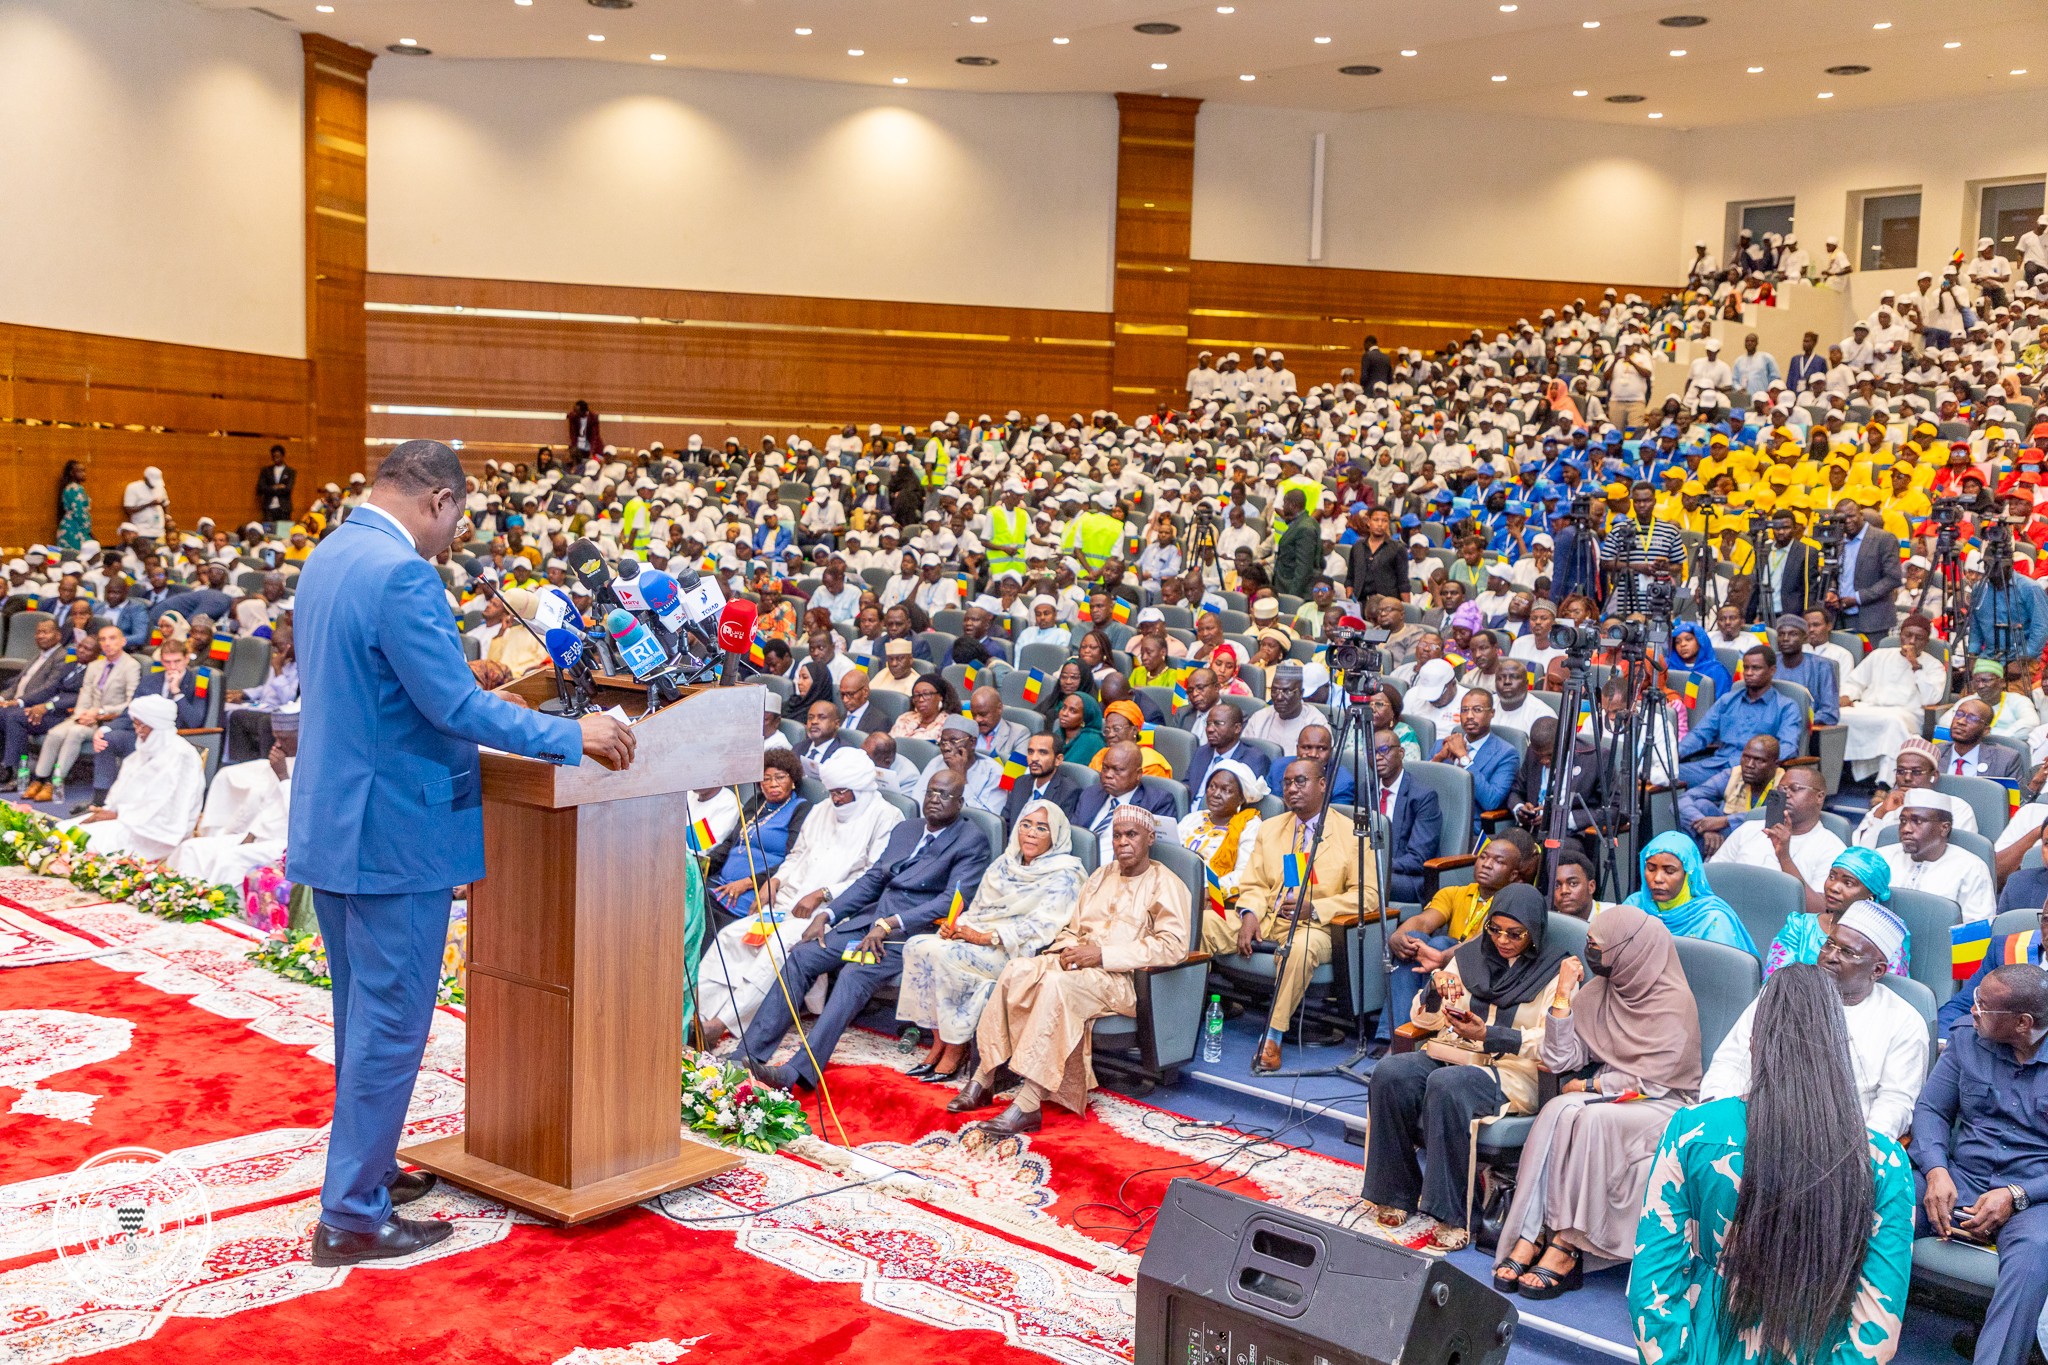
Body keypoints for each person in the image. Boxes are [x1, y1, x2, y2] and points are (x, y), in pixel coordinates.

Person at [289, 440, 633, 1267]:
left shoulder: (331, 554)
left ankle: (367, 1171)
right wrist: (574, 734)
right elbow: (452, 709)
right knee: (393, 1023)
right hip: (395, 831)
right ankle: (351, 1216)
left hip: (338, 820)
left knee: (361, 1015)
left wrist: (456, 671)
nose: (453, 537)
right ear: (439, 500)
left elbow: (384, 683)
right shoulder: (404, 575)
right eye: (458, 520)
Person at [1631, 964, 1914, 1365]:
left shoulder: (1692, 1132)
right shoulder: (1884, 1162)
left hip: (1709, 1341)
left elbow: (1652, 1285)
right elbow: (1876, 1335)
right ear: (1840, 1048)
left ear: (1754, 1044)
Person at [1493, 903, 1701, 1297]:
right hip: (1612, 1095)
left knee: (1592, 1120)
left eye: (1597, 945)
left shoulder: (1674, 1002)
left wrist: (1592, 1086)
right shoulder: (1603, 990)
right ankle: (1531, 1231)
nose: (1590, 953)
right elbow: (1560, 1059)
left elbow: (1656, 1081)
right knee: (1557, 1110)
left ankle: (1568, 1244)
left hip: (1664, 1102)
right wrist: (1562, 996)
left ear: (1630, 950)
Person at [742, 769, 992, 1093]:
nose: (935, 799)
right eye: (931, 791)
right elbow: (874, 879)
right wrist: (828, 914)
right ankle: (746, 1057)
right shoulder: (907, 829)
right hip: (869, 922)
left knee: (854, 975)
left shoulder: (971, 840)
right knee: (802, 956)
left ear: (960, 802)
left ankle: (796, 1072)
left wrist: (891, 924)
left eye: (945, 795)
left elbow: (950, 901)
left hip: (910, 934)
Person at [946, 804, 1190, 1133]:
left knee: (1055, 986)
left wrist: (1102, 955)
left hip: (1122, 980)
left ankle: (1028, 1103)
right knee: (1017, 970)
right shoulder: (1100, 876)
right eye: (1117, 835)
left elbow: (1173, 947)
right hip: (1081, 966)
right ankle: (984, 1077)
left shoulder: (1167, 884)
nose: (1122, 842)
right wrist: (1065, 951)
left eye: (1131, 835)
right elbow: (1073, 929)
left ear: (1150, 838)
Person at [1360, 885, 1571, 1251]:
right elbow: (1423, 1019)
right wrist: (1434, 990)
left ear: (1534, 932)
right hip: (1456, 1054)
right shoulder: (1469, 956)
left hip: (1515, 1072)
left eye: (1515, 934)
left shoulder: (1558, 971)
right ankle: (1395, 1192)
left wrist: (1491, 1035)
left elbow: (1556, 1042)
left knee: (1448, 1084)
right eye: (1495, 929)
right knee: (1390, 1073)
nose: (1502, 940)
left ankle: (1453, 1214)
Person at [695, 749, 903, 1041]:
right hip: (790, 899)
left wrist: (823, 894)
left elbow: (873, 876)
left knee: (776, 949)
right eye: (832, 792)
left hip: (832, 912)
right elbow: (797, 854)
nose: (836, 799)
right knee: (731, 937)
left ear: (862, 788)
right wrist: (775, 880)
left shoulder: (887, 816)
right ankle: (699, 1014)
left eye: (842, 792)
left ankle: (721, 1023)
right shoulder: (822, 809)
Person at [1913, 963, 2048, 1365]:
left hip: (2034, 1198)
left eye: (1984, 1006)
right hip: (1957, 1177)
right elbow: (1931, 1110)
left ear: (2023, 1023)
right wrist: (1936, 1169)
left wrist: (2017, 1195)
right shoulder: (1967, 1039)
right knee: (1880, 1203)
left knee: (2036, 1251)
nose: (1972, 1010)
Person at [897, 799, 1086, 1084]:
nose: (1031, 833)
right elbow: (978, 911)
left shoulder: (1066, 875)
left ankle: (956, 1045)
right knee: (918, 946)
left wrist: (984, 938)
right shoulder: (1004, 864)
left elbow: (1042, 928)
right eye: (1026, 824)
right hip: (979, 940)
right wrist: (957, 928)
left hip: (1017, 953)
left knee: (947, 956)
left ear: (1055, 835)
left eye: (1041, 828)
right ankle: (939, 1040)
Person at [1203, 758, 1374, 1073]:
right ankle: (1184, 1019)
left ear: (1322, 785)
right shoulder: (1271, 828)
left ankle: (1273, 1036)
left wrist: (1316, 908)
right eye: (1287, 783)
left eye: (1301, 781)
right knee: (1203, 923)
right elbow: (1254, 884)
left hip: (1316, 926)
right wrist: (1249, 913)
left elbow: (1368, 896)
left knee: (1300, 948)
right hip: (1266, 918)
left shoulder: (1352, 834)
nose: (1292, 788)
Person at [1703, 900, 1926, 1137]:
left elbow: (1895, 1103)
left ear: (1877, 970)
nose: (1830, 956)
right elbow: (1731, 1061)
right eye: (1829, 944)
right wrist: (1719, 1117)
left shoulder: (1904, 1021)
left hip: (1843, 1141)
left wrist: (1863, 1146)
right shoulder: (1782, 993)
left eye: (1847, 952)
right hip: (1756, 1130)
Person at [1383, 830, 1535, 1041]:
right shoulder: (1454, 892)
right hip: (1441, 967)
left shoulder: (1512, 905)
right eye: (1483, 857)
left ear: (1513, 876)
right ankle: (1396, 1034)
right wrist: (1398, 935)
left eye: (1498, 861)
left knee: (1440, 943)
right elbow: (1424, 921)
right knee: (1413, 941)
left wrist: (1443, 956)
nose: (1487, 864)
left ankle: (1417, 1032)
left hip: (1484, 971)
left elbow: (1485, 939)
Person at [62, 693, 204, 859]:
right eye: (135, 724)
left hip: (156, 835)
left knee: (79, 841)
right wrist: (109, 810)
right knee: (63, 830)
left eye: (142, 726)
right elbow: (126, 788)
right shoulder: (147, 749)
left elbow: (167, 809)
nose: (138, 731)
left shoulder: (181, 756)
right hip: (129, 821)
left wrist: (118, 815)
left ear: (156, 725)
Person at [167, 710, 297, 886]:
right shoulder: (283, 762)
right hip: (261, 835)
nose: (277, 745)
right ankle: (182, 896)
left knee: (229, 860)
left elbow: (300, 817)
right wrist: (250, 834)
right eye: (276, 737)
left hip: (286, 844)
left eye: (284, 739)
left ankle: (213, 900)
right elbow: (265, 806)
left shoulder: (313, 769)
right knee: (191, 849)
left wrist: (283, 777)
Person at [26, 625, 138, 803]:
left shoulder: (131, 666)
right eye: (103, 639)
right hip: (83, 717)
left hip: (108, 721)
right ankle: (40, 779)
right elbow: (85, 694)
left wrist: (99, 713)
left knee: (74, 733)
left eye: (112, 638)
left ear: (123, 641)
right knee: (54, 734)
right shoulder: (94, 666)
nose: (107, 643)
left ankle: (55, 783)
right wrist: (81, 716)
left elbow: (131, 703)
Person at [1767, 845, 1908, 978]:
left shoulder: (1886, 939)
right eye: (1832, 877)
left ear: (1870, 895)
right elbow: (1775, 980)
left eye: (1848, 883)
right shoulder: (1800, 926)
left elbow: (1892, 988)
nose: (1833, 887)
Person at [1706, 764, 1842, 901]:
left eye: (1795, 788)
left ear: (1819, 797)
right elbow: (1710, 878)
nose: (1786, 794)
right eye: (1782, 789)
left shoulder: (1832, 849)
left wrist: (1784, 856)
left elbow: (1821, 908)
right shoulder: (1748, 829)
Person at [1675, 644, 1804, 787]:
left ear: (1772, 670)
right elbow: (1700, 734)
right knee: (1666, 774)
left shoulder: (1786, 707)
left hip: (1750, 773)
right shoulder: (1727, 700)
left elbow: (1788, 746)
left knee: (1701, 792)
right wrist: (1673, 755)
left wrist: (1760, 764)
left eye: (1756, 668)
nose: (1749, 673)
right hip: (1716, 765)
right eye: (1746, 668)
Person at [1839, 613, 1946, 784]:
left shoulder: (1934, 665)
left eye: (1918, 638)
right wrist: (1846, 695)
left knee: (1893, 723)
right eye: (1908, 635)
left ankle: (1885, 783)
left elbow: (1931, 699)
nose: (1911, 641)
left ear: (1926, 642)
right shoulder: (1879, 655)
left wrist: (1915, 666)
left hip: (1907, 714)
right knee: (1836, 715)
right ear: (1900, 635)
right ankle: (1838, 778)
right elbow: (1855, 682)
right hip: (1869, 708)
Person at [702, 748, 810, 915]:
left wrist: (749, 882)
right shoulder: (756, 802)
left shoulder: (800, 809)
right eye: (766, 779)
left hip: (755, 889)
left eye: (780, 777)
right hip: (721, 882)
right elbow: (731, 842)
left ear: (793, 780)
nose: (773, 784)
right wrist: (702, 866)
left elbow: (793, 860)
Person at [1625, 831, 1756, 953]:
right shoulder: (1634, 906)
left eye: (1669, 871)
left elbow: (1723, 968)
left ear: (1688, 874)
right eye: (1651, 869)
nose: (1658, 879)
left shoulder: (1711, 920)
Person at [1882, 789, 1997, 922]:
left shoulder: (1971, 868)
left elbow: (1977, 928)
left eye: (1917, 821)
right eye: (1903, 821)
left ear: (1944, 828)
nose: (1906, 829)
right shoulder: (1882, 858)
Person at [1369, 721, 1444, 902]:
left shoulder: (1423, 797)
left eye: (1384, 750)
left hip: (1408, 878)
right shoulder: (1367, 789)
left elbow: (1418, 858)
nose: (1378, 757)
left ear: (1401, 753)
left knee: (1366, 882)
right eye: (1372, 752)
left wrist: (1375, 865)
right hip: (1371, 870)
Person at [1940, 902, 2044, 1032]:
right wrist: (1944, 1040)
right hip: (1990, 1041)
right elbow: (1962, 1006)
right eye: (2046, 919)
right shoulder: (2004, 949)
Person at [1177, 758, 1267, 906]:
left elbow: (1244, 873)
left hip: (1214, 900)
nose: (1216, 794)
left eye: (1226, 790)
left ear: (1241, 798)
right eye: (1212, 787)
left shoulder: (1250, 826)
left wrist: (1210, 890)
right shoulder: (1193, 818)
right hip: (1177, 887)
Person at [1002, 730, 1081, 832]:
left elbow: (1058, 833)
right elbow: (1005, 823)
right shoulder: (1020, 782)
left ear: (1058, 759)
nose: (1034, 758)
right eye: (1030, 752)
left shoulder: (1068, 791)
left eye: (1042, 752)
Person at [889, 674, 955, 741]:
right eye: (916, 695)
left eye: (926, 694)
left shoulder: (948, 724)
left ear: (940, 696)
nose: (921, 699)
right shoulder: (905, 718)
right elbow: (890, 743)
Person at [56, 460, 91, 553]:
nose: (83, 474)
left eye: (84, 471)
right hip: (75, 529)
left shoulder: (69, 487)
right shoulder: (76, 488)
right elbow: (79, 512)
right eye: (79, 471)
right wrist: (88, 532)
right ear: (72, 473)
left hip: (70, 528)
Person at [257, 444, 297, 524]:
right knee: (269, 530)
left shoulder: (290, 471)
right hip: (269, 508)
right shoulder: (266, 470)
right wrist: (276, 487)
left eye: (278, 456)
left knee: (283, 530)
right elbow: (261, 488)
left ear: (283, 456)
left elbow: (288, 489)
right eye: (274, 456)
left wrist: (271, 489)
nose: (275, 459)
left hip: (284, 508)